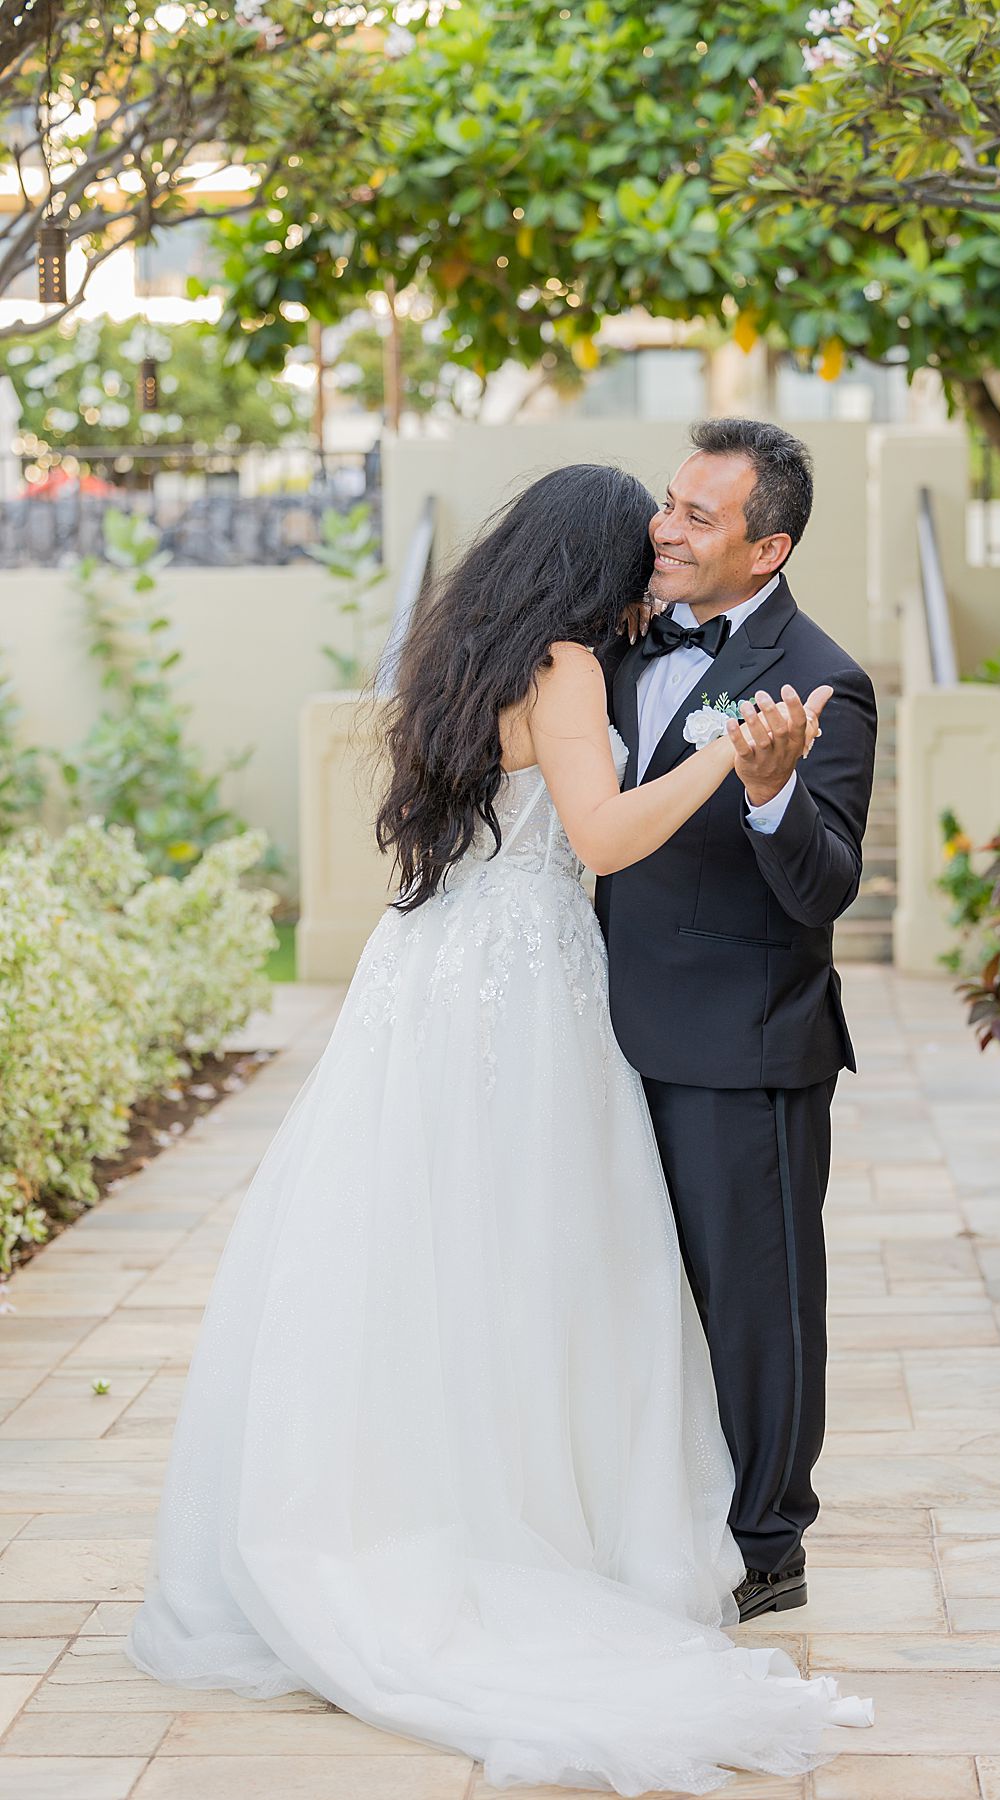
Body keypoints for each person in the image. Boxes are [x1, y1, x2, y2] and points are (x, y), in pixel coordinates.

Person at [122, 461, 873, 1794]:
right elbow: (603, 830)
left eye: (688, 528)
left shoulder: (459, 655)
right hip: (527, 987)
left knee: (426, 1252)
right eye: (643, 540)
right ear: (591, 560)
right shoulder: (573, 669)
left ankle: (435, 1496)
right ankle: (545, 1527)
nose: (659, 558)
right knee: (554, 1255)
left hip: (425, 980)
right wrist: (719, 757)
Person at [597, 418, 878, 1624]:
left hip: (739, 1044)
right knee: (616, 1285)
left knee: (754, 1305)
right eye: (670, 502)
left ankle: (768, 1543)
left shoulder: (824, 679)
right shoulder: (608, 644)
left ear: (767, 551)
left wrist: (771, 797)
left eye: (698, 516)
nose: (664, 527)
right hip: (594, 1028)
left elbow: (827, 887)